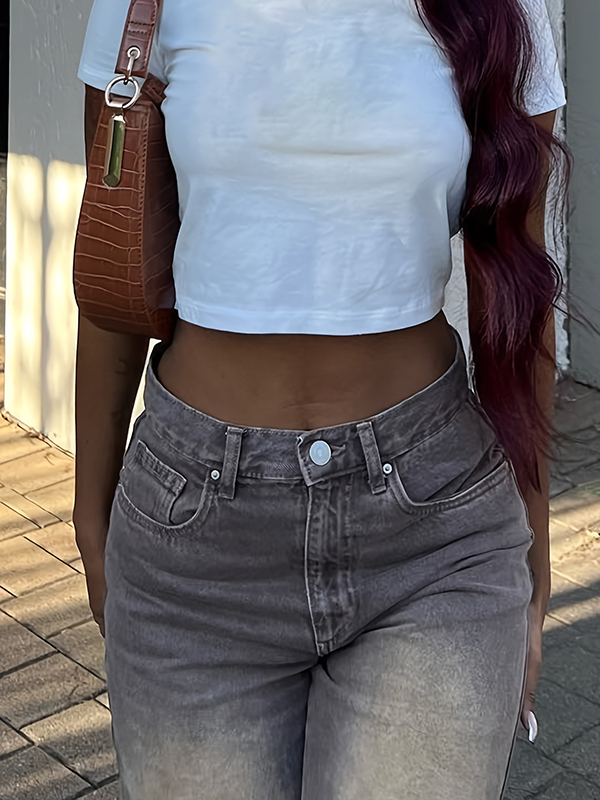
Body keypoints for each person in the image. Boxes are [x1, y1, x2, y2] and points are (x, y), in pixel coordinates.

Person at [74, 0, 571, 797]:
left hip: (434, 535)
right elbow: (115, 268)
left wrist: (534, 550)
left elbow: (518, 295)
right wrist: (89, 517)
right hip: (194, 548)